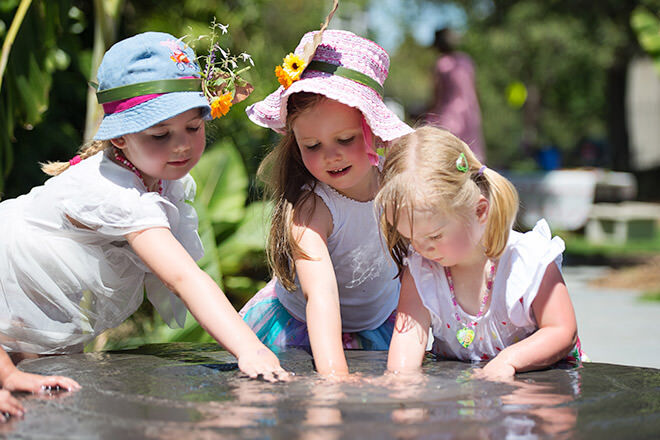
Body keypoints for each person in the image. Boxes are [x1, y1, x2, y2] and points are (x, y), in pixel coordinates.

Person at [0, 32, 288, 399]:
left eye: (193, 128)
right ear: (120, 138)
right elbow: (183, 277)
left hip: (41, 300)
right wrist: (251, 350)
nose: (181, 144)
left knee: (47, 388)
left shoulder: (160, 177)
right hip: (12, 281)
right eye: (159, 134)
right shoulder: (116, 193)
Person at [239, 28, 413, 378]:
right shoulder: (313, 209)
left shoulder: (398, 191)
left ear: (374, 131)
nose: (330, 156)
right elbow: (319, 296)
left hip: (377, 323)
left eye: (345, 139)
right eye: (312, 146)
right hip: (303, 329)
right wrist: (336, 377)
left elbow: (416, 271)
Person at [376, 126, 583, 380]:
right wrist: (400, 382)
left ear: (479, 211)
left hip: (536, 389)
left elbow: (562, 330)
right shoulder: (423, 270)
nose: (421, 247)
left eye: (435, 236)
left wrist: (509, 361)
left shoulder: (526, 261)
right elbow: (407, 342)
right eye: (410, 237)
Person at [426, 28, 486, 163]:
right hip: (469, 114)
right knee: (470, 157)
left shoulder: (442, 64)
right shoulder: (466, 61)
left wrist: (426, 111)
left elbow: (436, 96)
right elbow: (474, 89)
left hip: (450, 116)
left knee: (447, 156)